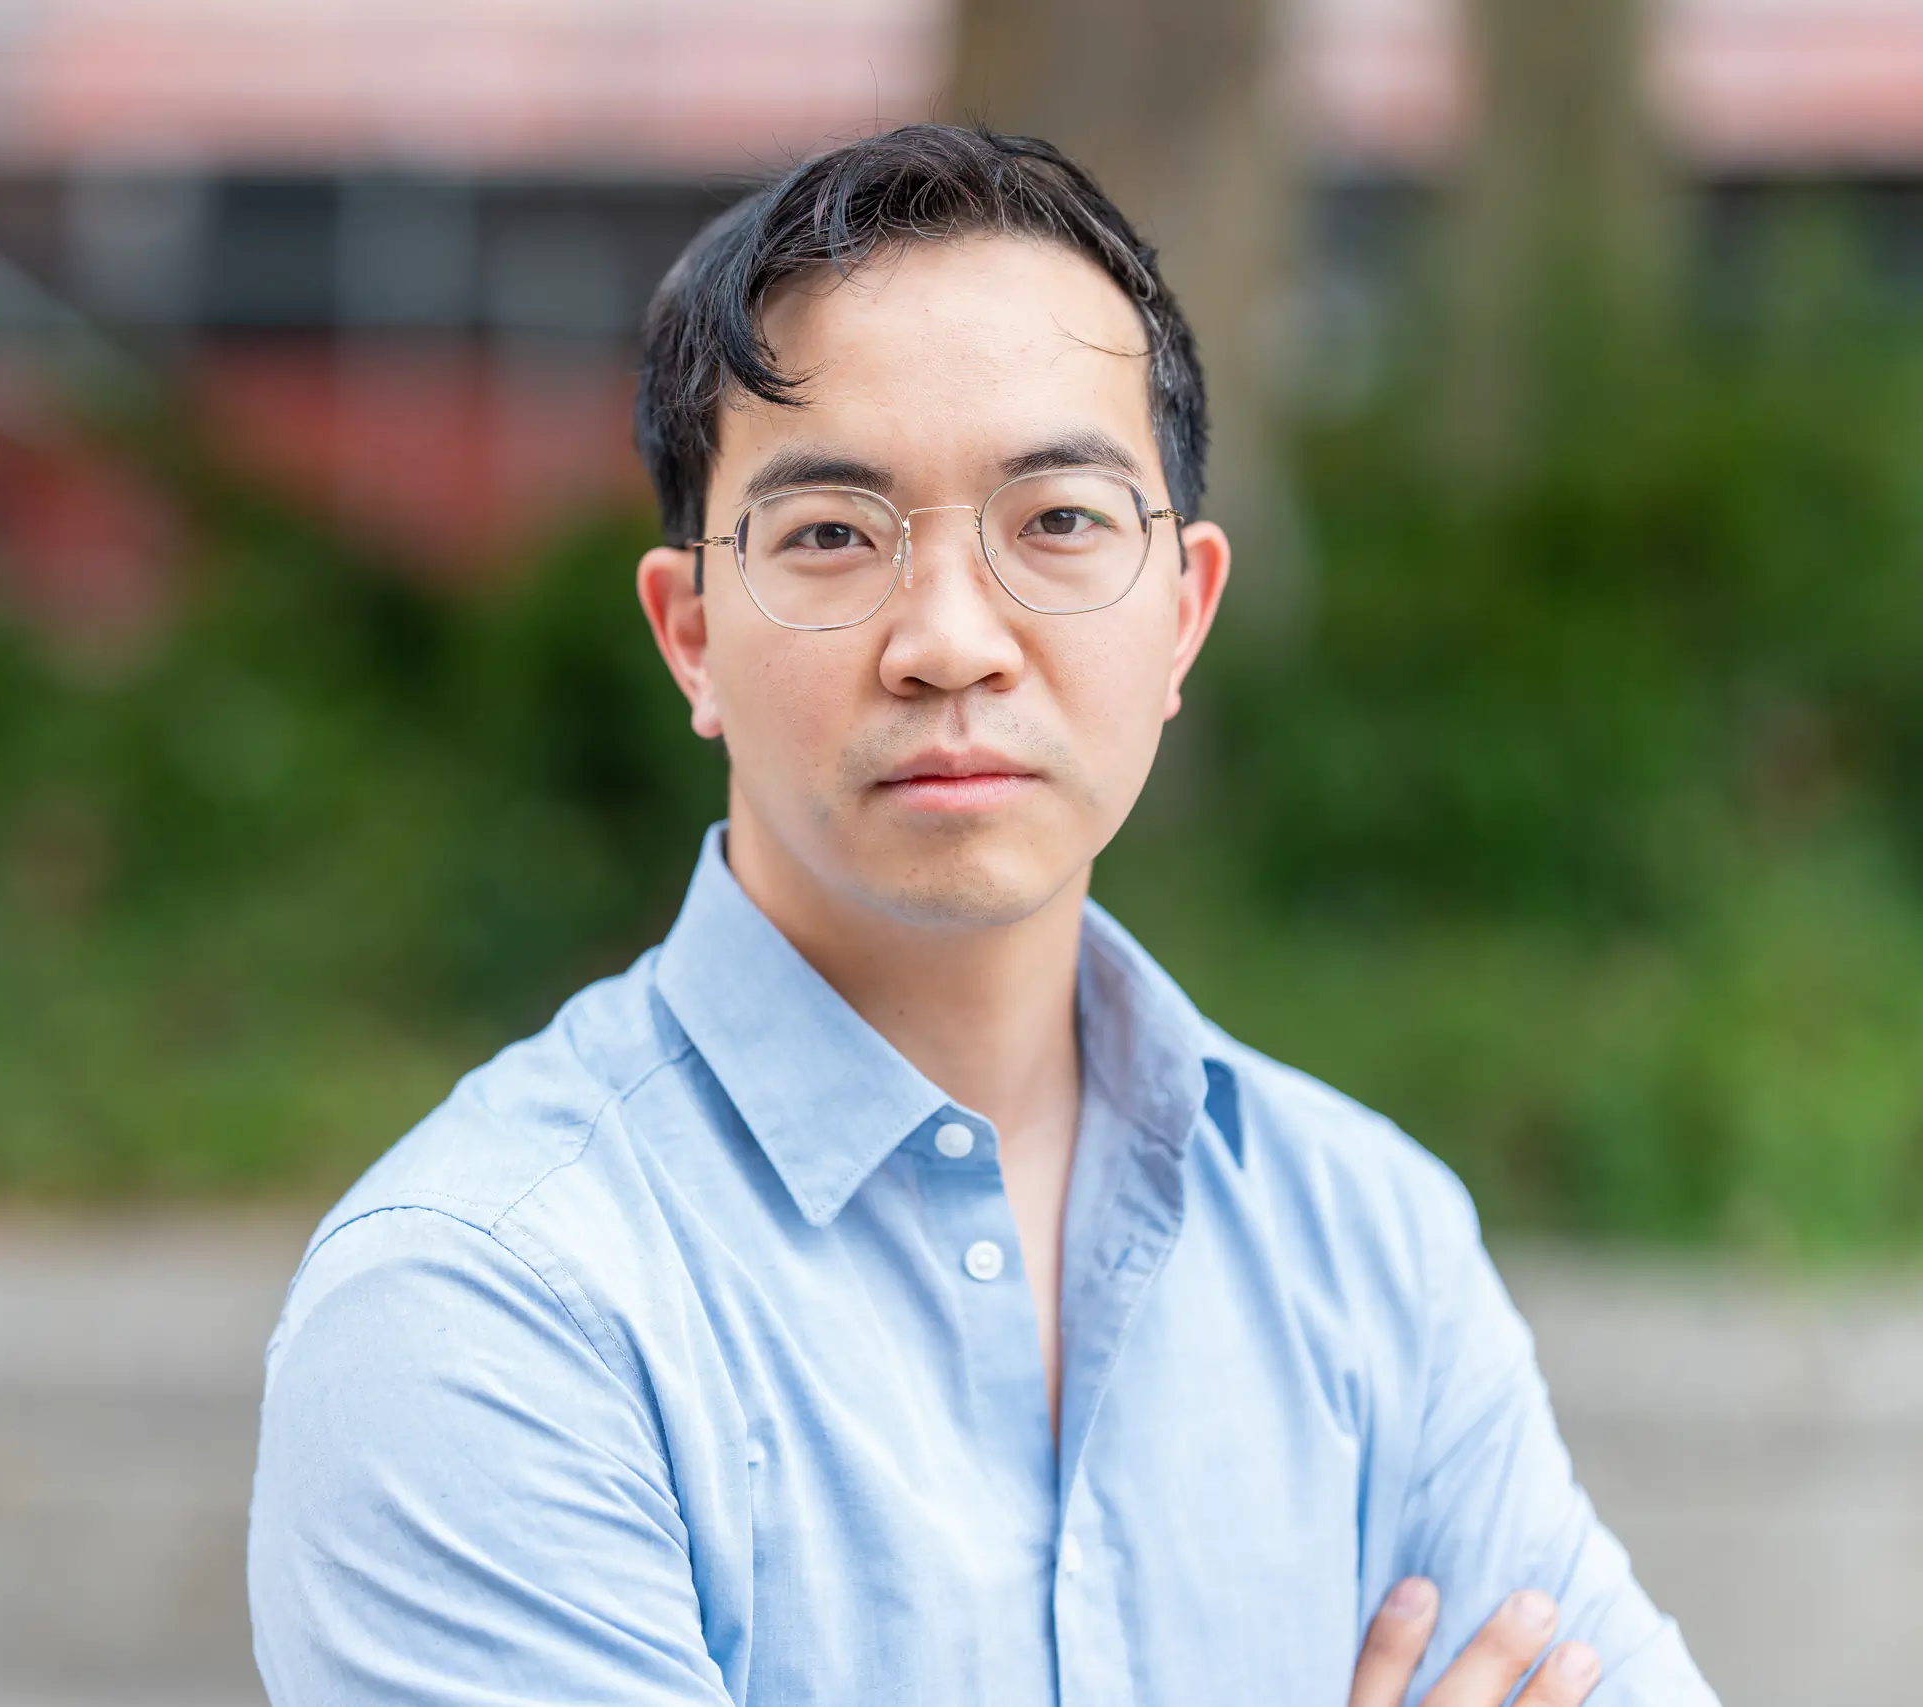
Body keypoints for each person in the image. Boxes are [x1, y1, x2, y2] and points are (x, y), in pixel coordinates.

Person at [246, 124, 1719, 1705]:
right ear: (691, 635)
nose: (951, 641)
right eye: (832, 535)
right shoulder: (482, 1304)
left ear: (1185, 612)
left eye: (1058, 520)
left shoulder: (1368, 1242)